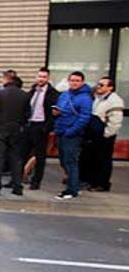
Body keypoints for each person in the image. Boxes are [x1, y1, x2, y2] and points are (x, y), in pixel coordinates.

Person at [0, 70, 30, 196]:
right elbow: (28, 114)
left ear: (7, 79)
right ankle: (17, 186)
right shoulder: (25, 95)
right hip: (17, 130)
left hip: (0, 129)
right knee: (16, 158)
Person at [53, 71, 93, 200]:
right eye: (72, 80)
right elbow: (61, 109)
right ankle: (73, 185)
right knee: (64, 161)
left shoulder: (85, 98)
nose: (74, 83)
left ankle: (72, 189)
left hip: (72, 135)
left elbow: (84, 118)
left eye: (77, 80)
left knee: (71, 162)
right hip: (60, 131)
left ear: (82, 82)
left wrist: (71, 131)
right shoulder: (64, 95)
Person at [81, 76, 124, 192]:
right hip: (94, 134)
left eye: (102, 85)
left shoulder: (114, 101)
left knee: (103, 160)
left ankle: (102, 184)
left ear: (110, 87)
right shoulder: (98, 98)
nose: (98, 87)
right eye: (98, 84)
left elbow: (115, 122)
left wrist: (106, 135)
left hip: (105, 136)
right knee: (92, 158)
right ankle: (91, 181)